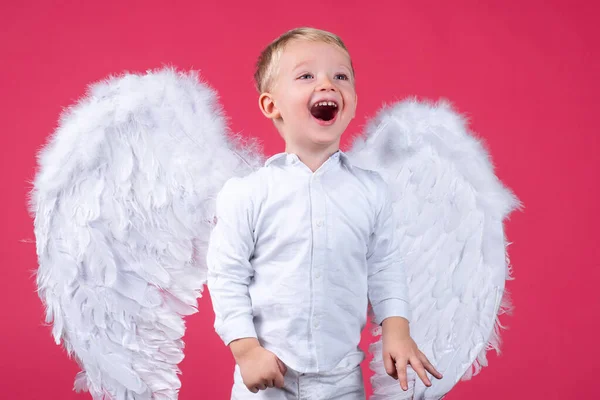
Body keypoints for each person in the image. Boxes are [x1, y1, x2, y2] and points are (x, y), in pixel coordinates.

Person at [206, 27, 443, 399]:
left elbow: (385, 267)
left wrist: (397, 330)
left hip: (341, 380)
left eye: (341, 76)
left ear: (352, 100)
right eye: (306, 76)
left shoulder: (371, 191)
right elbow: (227, 276)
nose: (328, 84)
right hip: (267, 377)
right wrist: (246, 350)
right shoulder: (247, 193)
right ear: (272, 106)